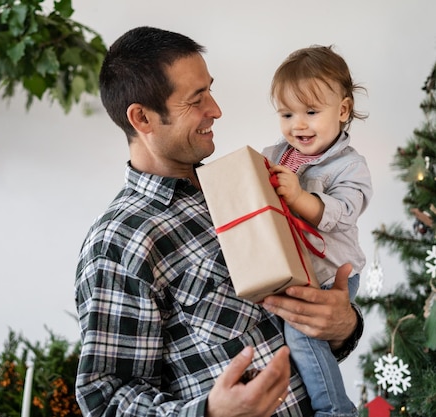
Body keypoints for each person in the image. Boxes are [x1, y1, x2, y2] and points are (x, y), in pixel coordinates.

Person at [75, 26, 364, 417]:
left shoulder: (242, 185)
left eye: (210, 90)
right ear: (142, 118)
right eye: (196, 99)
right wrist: (210, 413)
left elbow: (303, 333)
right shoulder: (121, 241)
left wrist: (343, 325)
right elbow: (105, 398)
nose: (216, 109)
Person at [261, 45, 372, 417]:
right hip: (293, 267)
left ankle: (335, 409)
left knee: (301, 335)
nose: (299, 124)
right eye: (287, 113)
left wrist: (298, 196)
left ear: (342, 111)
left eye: (311, 112)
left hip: (331, 273)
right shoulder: (277, 154)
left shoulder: (349, 166)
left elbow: (340, 213)